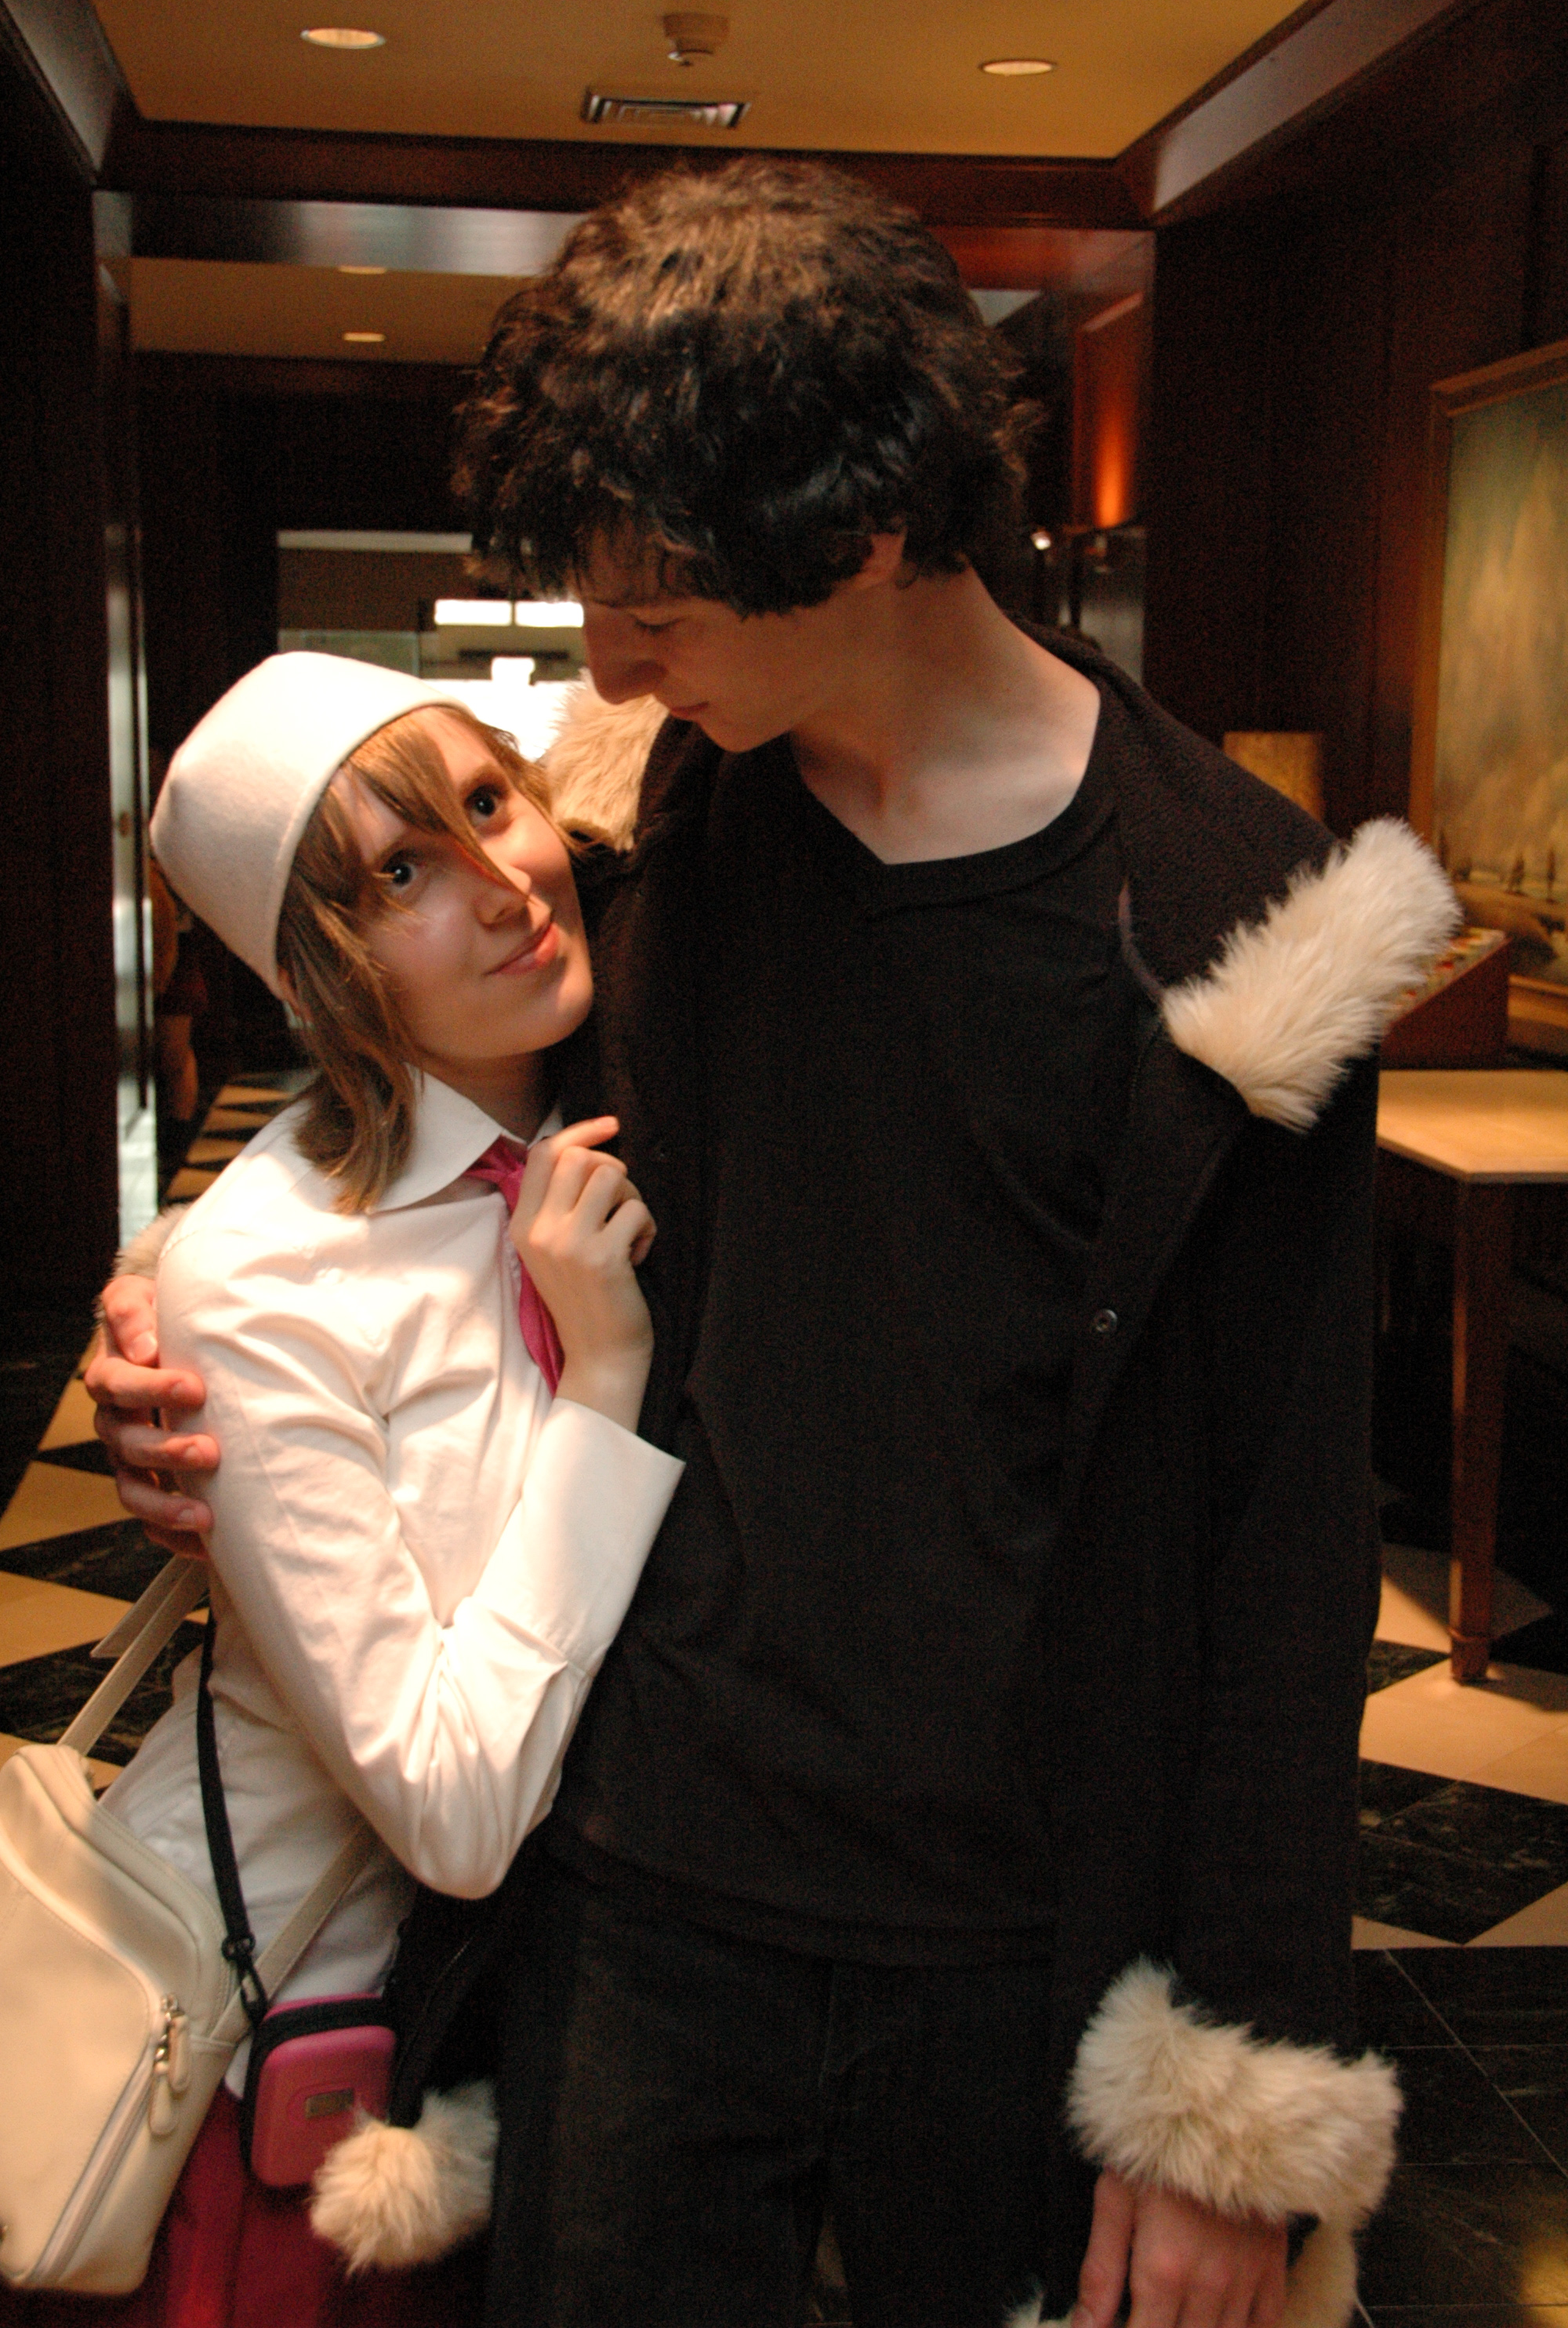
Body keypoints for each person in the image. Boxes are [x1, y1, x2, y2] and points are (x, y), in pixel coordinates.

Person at [94, 162, 1458, 2328]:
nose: (607, 662)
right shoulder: (651, 834)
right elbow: (422, 1137)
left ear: (873, 533)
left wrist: (1235, 2090)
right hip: (642, 1901)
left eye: (657, 607)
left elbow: (1284, 1544)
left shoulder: (1240, 923)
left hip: (1021, 1933)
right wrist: (181, 1322)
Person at [62, 651, 681, 2326]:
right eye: (401, 874)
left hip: (572, 2032)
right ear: (321, 969)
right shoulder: (271, 1279)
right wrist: (603, 1379)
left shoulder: (631, 1109)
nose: (502, 886)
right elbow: (454, 1812)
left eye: (490, 803)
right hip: (293, 2064)